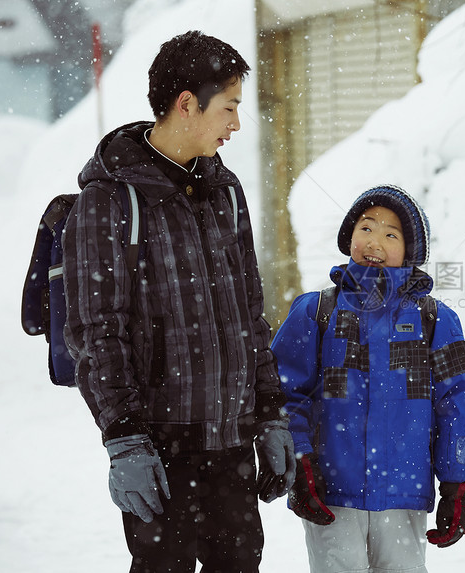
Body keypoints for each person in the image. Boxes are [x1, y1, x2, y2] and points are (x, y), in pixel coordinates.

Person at [63, 31, 295, 572]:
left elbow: (248, 316)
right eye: (229, 107)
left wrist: (270, 414)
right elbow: (97, 332)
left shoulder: (225, 190)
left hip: (232, 441)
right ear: (186, 104)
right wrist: (124, 439)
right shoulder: (110, 200)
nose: (236, 124)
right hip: (160, 446)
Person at [271, 185, 465, 573]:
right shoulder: (316, 312)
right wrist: (300, 461)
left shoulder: (433, 320)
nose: (375, 241)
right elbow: (284, 394)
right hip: (332, 493)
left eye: (391, 235)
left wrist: (459, 484)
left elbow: (462, 404)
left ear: (410, 253)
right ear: (349, 236)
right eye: (366, 228)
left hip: (402, 495)